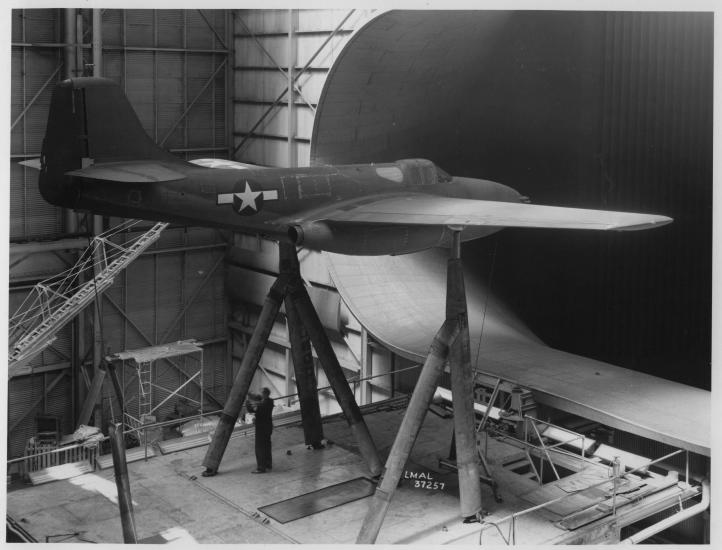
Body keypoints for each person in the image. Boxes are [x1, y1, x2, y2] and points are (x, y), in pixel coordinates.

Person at [248, 387, 274, 473]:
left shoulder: (261, 405)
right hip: (268, 426)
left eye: (261, 393)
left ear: (264, 394)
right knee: (267, 446)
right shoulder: (270, 401)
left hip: (261, 428)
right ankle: (268, 464)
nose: (260, 395)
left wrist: (248, 400)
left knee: (259, 447)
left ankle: (261, 467)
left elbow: (251, 409)